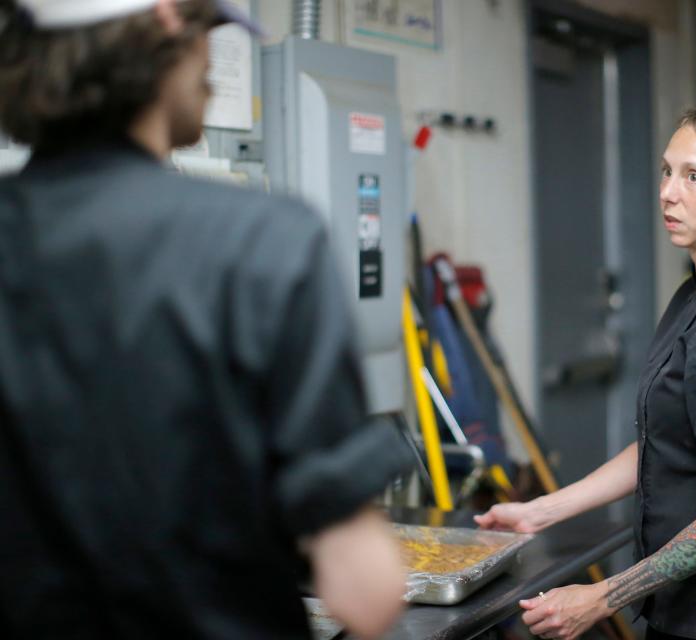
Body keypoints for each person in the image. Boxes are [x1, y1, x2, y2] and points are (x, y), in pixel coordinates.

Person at [0, 1, 410, 638]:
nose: (211, 70)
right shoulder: (262, 241)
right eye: (208, 38)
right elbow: (365, 592)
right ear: (167, 25)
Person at [476, 105, 696, 640]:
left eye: (693, 176)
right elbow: (666, 443)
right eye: (667, 170)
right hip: (677, 606)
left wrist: (601, 597)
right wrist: (540, 512)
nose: (668, 192)